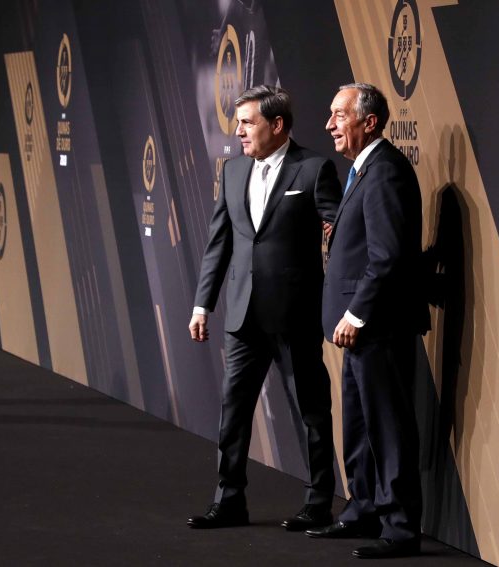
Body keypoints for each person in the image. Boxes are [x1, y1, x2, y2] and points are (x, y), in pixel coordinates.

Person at [187, 85, 341, 531]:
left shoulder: (313, 168)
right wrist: (202, 304)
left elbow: (341, 231)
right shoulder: (233, 170)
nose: (238, 132)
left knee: (311, 412)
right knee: (233, 411)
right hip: (241, 317)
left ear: (277, 125)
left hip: (295, 316)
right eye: (238, 123)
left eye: (247, 123)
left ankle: (318, 503)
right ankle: (229, 501)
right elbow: (219, 243)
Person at [306, 82, 428, 559]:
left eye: (339, 115)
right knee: (358, 424)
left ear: (369, 121)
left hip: (376, 325)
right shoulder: (363, 170)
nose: (329, 124)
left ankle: (400, 527)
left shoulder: (386, 172)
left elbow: (388, 256)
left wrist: (356, 314)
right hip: (356, 328)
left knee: (387, 427)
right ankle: (363, 509)